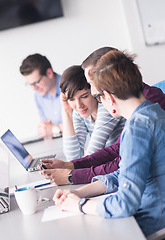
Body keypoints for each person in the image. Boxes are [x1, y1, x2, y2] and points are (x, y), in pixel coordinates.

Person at [53, 49, 165, 237]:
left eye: (98, 97)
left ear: (109, 97)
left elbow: (125, 203)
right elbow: (123, 173)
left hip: (151, 224)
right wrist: (79, 194)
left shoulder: (137, 129)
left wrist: (80, 206)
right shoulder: (154, 113)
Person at [38, 46, 165, 185]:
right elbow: (116, 150)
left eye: (92, 82)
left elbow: (121, 163)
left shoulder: (144, 104)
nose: (93, 91)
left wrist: (72, 175)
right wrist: (70, 166)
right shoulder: (125, 104)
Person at [60, 65, 125, 160]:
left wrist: (84, 158)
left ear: (94, 90)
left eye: (84, 96)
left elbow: (90, 157)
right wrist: (66, 112)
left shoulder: (107, 107)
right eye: (71, 99)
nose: (79, 105)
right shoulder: (80, 112)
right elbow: (73, 157)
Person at [19, 53, 63, 138]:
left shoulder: (71, 88)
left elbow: (84, 123)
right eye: (30, 84)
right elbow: (46, 127)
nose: (34, 88)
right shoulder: (38, 96)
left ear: (49, 73)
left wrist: (55, 129)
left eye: (36, 83)